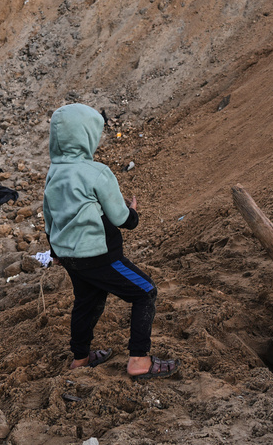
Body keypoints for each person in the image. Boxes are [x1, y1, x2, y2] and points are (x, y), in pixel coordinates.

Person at [44, 104, 181, 380]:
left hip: (69, 257)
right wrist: (133, 214)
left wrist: (54, 251)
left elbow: (49, 216)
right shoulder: (97, 172)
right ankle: (139, 360)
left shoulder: (53, 173)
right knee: (145, 292)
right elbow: (120, 217)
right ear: (87, 136)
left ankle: (80, 359)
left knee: (87, 301)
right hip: (99, 255)